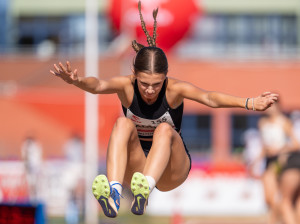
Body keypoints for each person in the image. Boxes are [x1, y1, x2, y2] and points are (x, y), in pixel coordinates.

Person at [50, 1, 278, 218]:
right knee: (122, 123)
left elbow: (209, 98)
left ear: (165, 77)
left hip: (171, 171)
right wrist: (76, 81)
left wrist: (249, 103)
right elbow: (98, 85)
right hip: (138, 168)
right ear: (135, 75)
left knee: (165, 130)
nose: (150, 90)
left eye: (156, 84)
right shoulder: (126, 87)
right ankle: (115, 193)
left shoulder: (174, 89)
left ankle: (145, 190)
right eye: (144, 84)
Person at [257, 101, 299, 224]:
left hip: (280, 161)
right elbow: (263, 147)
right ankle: (277, 219)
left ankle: (277, 220)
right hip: (268, 161)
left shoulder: (284, 122)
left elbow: (295, 144)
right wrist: (255, 161)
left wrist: (280, 150)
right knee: (269, 199)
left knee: (280, 199)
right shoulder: (262, 123)